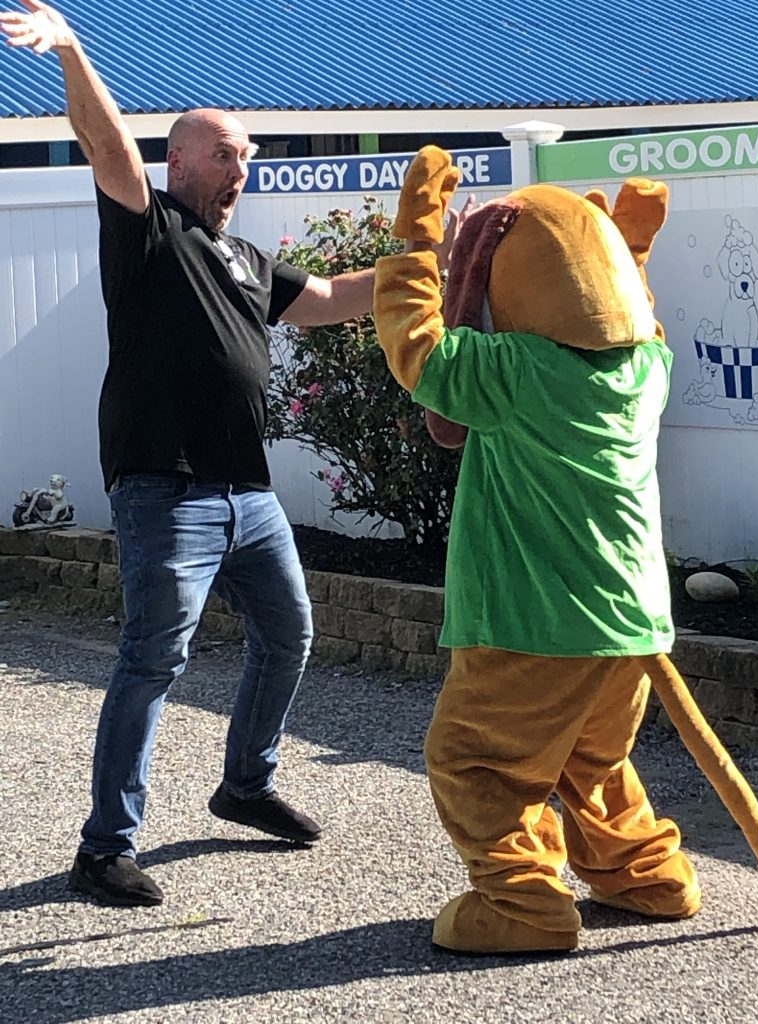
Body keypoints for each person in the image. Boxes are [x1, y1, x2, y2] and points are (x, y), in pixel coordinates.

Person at [0, 0, 387, 908]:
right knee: (153, 659)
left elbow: (332, 297)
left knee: (289, 634)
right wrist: (71, 49)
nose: (240, 168)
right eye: (225, 154)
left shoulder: (247, 257)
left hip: (247, 496)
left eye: (247, 156)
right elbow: (103, 145)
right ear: (177, 162)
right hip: (163, 489)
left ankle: (243, 786)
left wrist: (434, 267)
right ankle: (104, 848)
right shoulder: (149, 229)